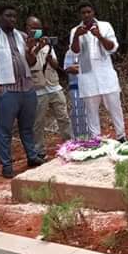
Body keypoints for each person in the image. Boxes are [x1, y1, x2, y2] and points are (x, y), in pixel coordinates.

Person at [0, 4, 42, 178]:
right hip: (6, 91)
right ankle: (7, 165)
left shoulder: (22, 36)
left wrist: (34, 49)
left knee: (27, 127)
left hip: (26, 88)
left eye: (14, 16)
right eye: (8, 16)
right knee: (5, 130)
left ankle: (32, 157)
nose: (12, 19)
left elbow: (31, 62)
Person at [69, 1, 127, 142]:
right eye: (83, 13)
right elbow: (74, 52)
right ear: (80, 15)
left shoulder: (105, 26)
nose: (86, 15)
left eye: (89, 12)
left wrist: (99, 36)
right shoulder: (75, 30)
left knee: (115, 107)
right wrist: (77, 36)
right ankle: (97, 140)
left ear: (93, 12)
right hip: (87, 76)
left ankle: (121, 136)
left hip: (106, 73)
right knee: (91, 111)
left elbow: (112, 47)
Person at [25, 16, 72, 158]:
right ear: (26, 28)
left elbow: (56, 65)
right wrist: (36, 47)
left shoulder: (48, 44)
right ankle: (39, 151)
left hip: (54, 85)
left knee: (63, 117)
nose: (36, 31)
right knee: (38, 122)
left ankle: (68, 144)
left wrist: (49, 55)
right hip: (38, 88)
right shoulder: (23, 45)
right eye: (33, 28)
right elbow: (30, 62)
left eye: (38, 28)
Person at [64, 50, 88, 138]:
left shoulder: (88, 50)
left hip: (89, 87)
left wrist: (78, 67)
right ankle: (79, 139)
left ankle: (92, 138)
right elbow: (68, 69)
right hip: (75, 87)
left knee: (89, 113)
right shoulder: (70, 52)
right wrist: (83, 68)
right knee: (77, 113)